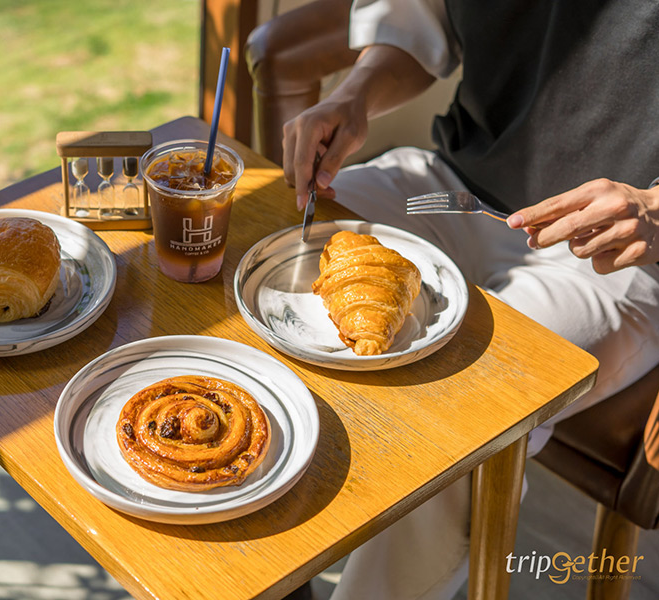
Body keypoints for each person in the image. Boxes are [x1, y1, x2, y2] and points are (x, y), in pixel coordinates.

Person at [281, 1, 659, 598]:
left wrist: (654, 209)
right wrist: (354, 96)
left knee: (467, 417)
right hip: (452, 187)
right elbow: (420, 25)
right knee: (275, 267)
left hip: (617, 256)